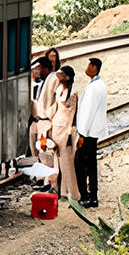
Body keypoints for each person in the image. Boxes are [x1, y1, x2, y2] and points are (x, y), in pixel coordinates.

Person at [73, 56, 112, 210]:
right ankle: (93, 197)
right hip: (92, 132)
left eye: (89, 66)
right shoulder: (98, 84)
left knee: (80, 164)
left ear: (95, 68)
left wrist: (82, 134)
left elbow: (88, 112)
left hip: (88, 133)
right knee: (91, 165)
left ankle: (86, 196)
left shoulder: (94, 87)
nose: (87, 68)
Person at [46, 65, 80, 197]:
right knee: (57, 159)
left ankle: (71, 192)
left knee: (67, 161)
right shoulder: (59, 89)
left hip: (65, 128)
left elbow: (72, 114)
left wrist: (70, 132)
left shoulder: (72, 94)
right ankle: (58, 188)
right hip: (56, 127)